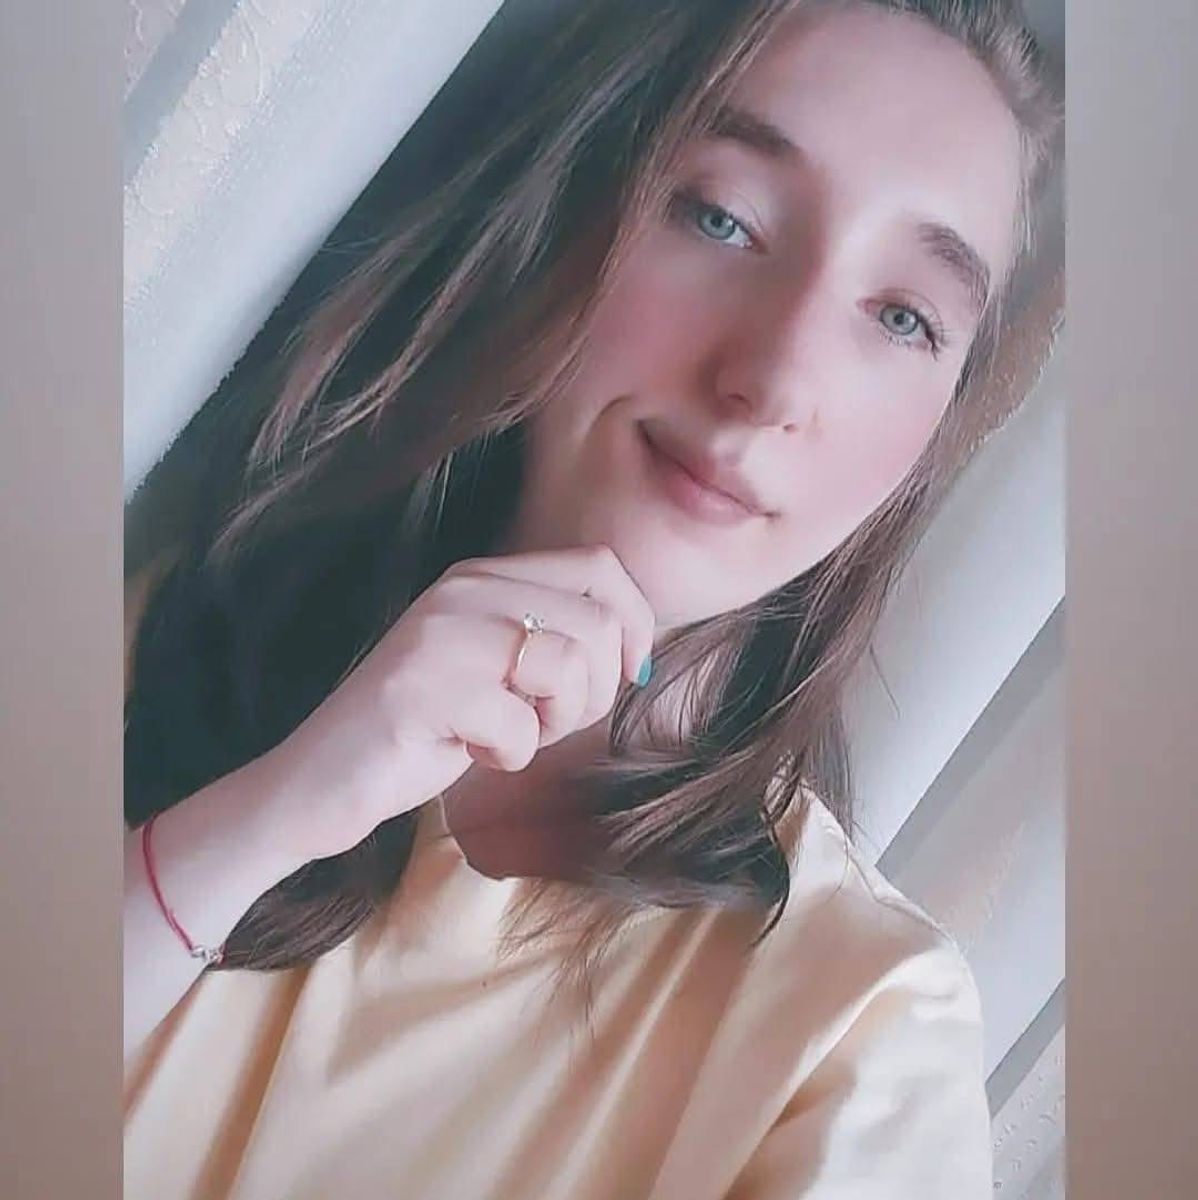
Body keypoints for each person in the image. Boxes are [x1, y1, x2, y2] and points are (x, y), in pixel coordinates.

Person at [123, 0, 1061, 1196]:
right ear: (571, 199)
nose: (774, 381)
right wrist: (264, 823)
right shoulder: (144, 644)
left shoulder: (854, 1037)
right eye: (721, 217)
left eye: (902, 317)